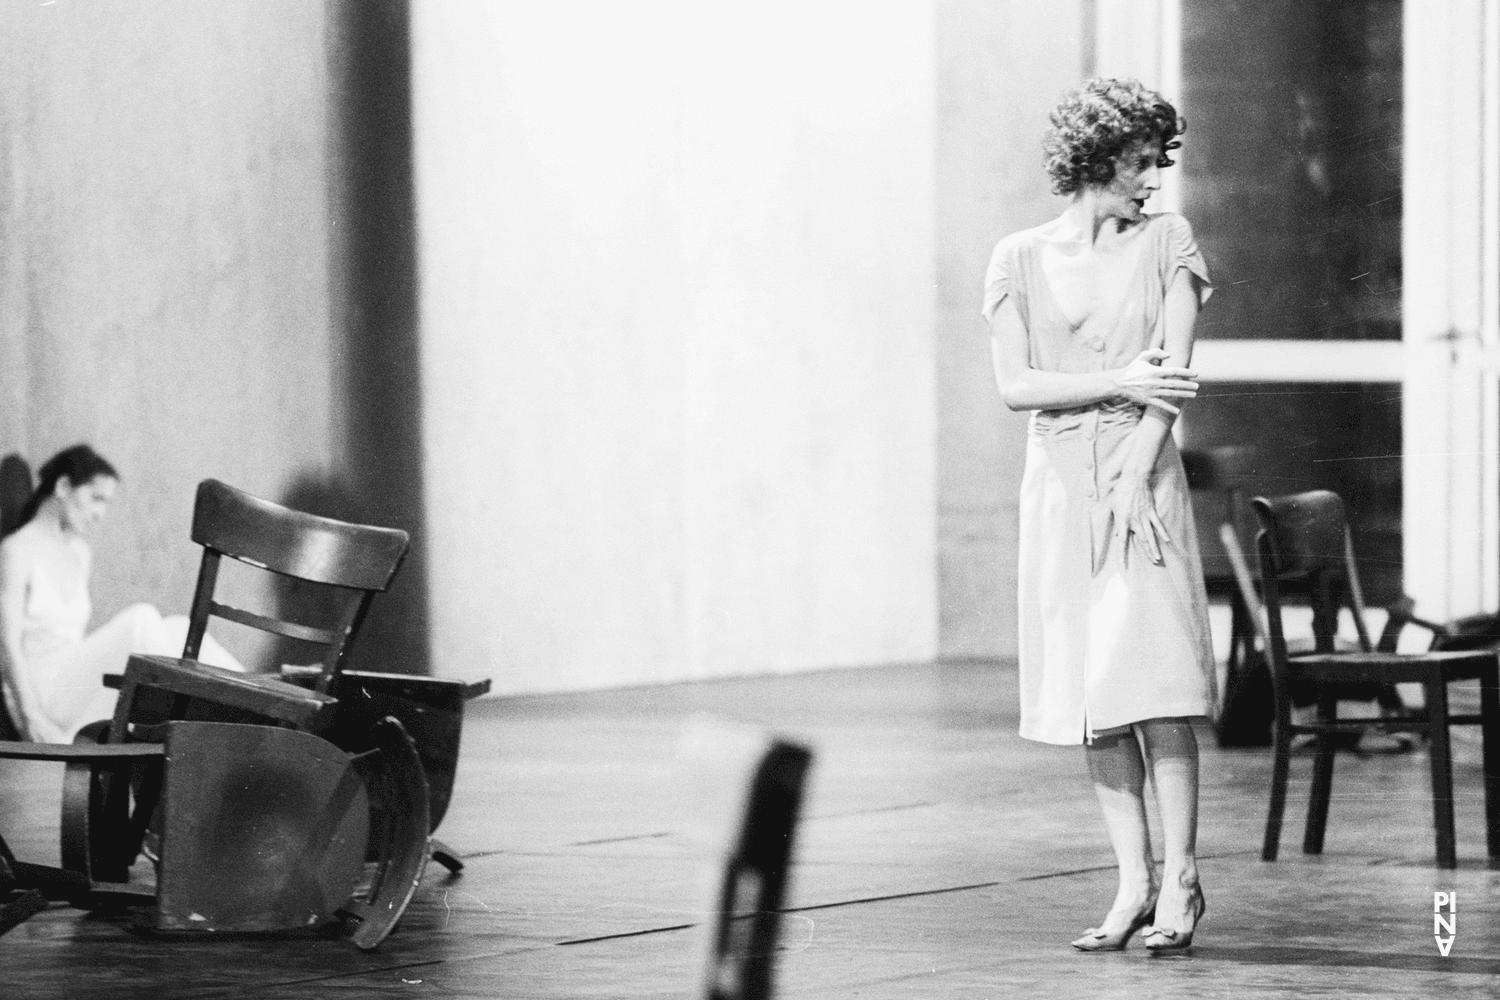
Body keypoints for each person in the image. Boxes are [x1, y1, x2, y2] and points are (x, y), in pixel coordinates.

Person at [982, 78, 1215, 953]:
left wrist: (1137, 463)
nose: (1153, 171)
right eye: (1137, 154)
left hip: (1141, 475)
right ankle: (1132, 884)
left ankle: (1183, 880)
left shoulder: (1168, 242)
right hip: (1058, 482)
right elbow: (1017, 387)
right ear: (1092, 154)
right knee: (1092, 696)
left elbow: (1174, 379)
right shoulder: (1018, 256)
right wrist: (1119, 378)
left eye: (1161, 155)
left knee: (1153, 682)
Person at [0, 445, 242, 743]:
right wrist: (31, 719)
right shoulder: (16, 550)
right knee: (141, 618)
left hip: (70, 684)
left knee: (179, 627)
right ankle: (209, 720)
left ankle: (256, 706)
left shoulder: (79, 553)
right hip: (40, 690)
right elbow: (6, 644)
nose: (100, 514)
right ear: (63, 486)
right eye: (96, 498)